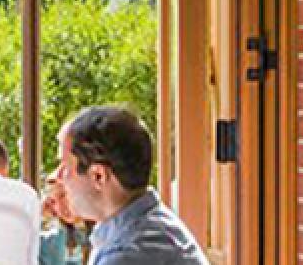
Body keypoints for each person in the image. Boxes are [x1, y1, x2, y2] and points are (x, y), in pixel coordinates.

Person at [56, 106, 208, 264]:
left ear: (98, 176)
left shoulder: (129, 253)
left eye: (65, 167)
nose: (59, 176)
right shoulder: (146, 227)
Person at [39, 171, 89, 265]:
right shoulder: (55, 239)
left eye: (63, 195)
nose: (59, 206)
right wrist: (39, 213)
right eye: (53, 201)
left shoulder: (103, 227)